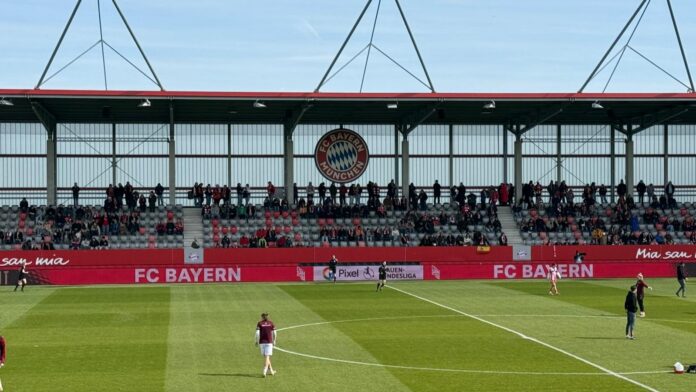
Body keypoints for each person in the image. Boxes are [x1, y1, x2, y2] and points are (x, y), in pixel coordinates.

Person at [255, 313, 276, 377]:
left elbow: (257, 333)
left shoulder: (259, 323)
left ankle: (271, 371)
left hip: (262, 342)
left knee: (266, 357)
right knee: (267, 357)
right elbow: (274, 333)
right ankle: (264, 371)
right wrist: (274, 340)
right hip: (269, 342)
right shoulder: (271, 323)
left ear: (262, 317)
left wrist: (256, 341)